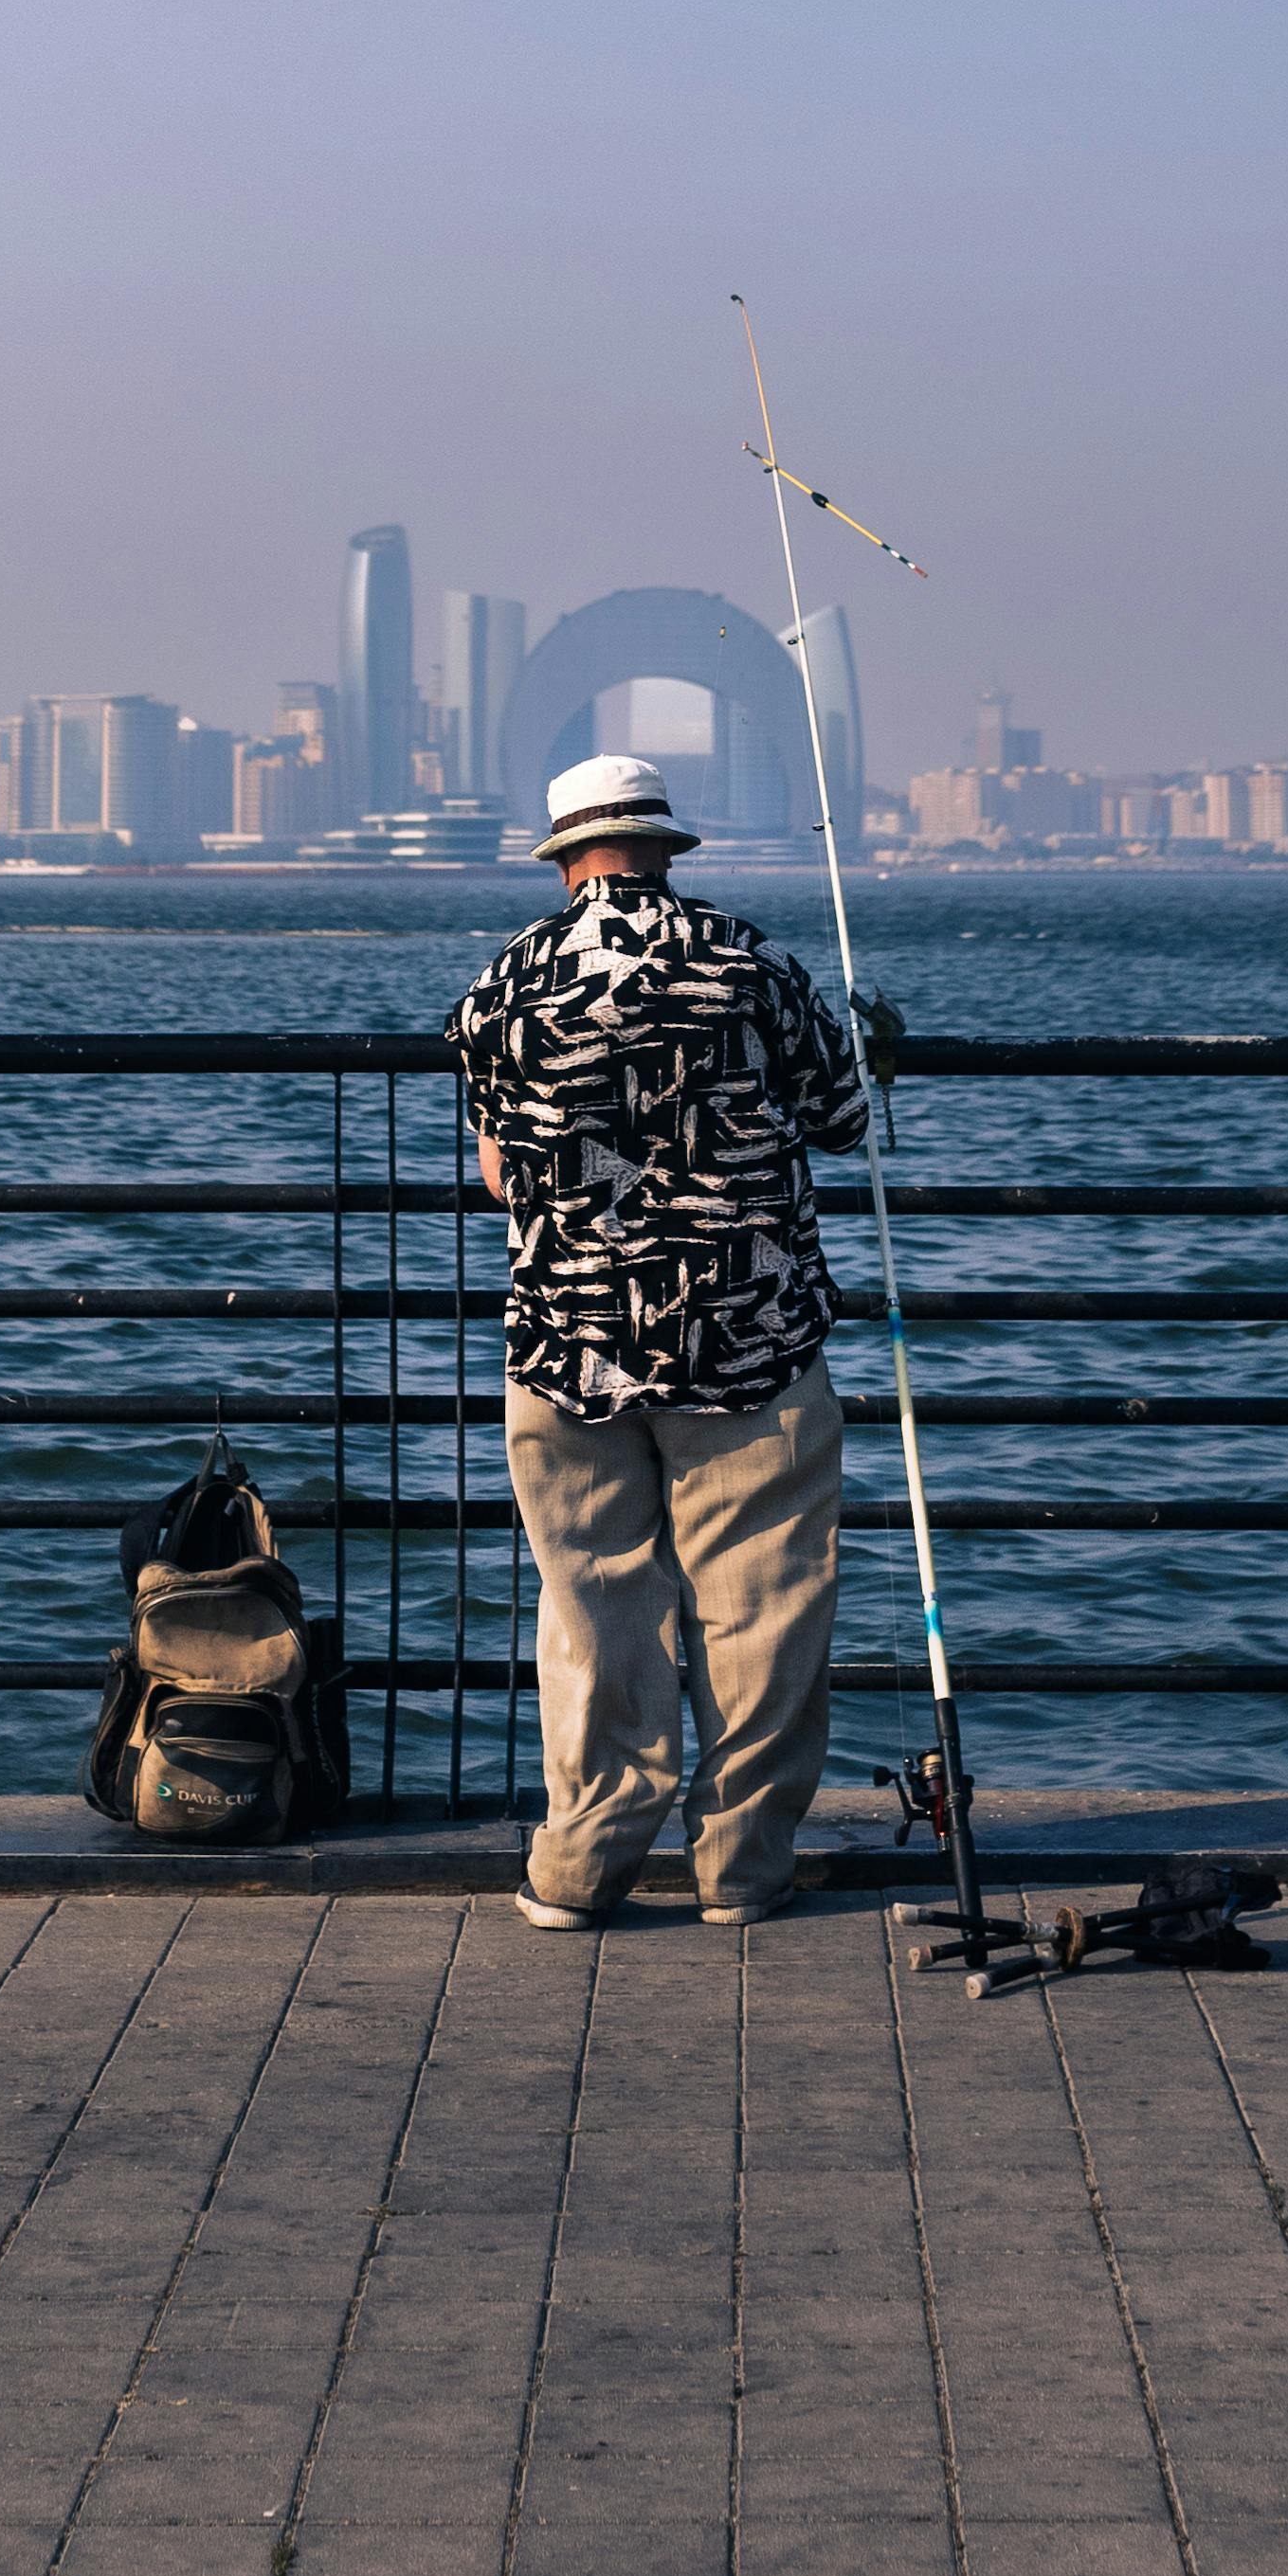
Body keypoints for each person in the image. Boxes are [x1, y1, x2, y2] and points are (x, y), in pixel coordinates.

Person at [448, 747, 888, 1929]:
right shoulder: (753, 962)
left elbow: (499, 1170)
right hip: (746, 1332)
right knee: (760, 1601)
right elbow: (844, 1121)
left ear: (564, 855)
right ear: (663, 844)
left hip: (569, 1338)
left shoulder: (503, 987)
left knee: (591, 1602)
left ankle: (578, 1868)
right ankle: (739, 1869)